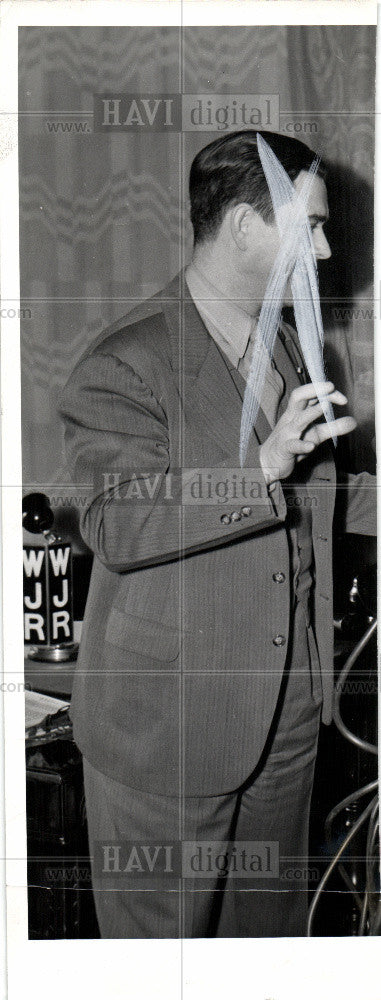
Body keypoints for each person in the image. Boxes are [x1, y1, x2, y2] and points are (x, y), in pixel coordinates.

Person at [60, 130, 376, 939]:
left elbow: (309, 498)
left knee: (264, 956)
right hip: (167, 734)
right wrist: (260, 468)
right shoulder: (126, 359)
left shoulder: (284, 341)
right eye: (309, 225)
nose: (326, 245)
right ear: (243, 226)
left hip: (286, 721)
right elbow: (115, 519)